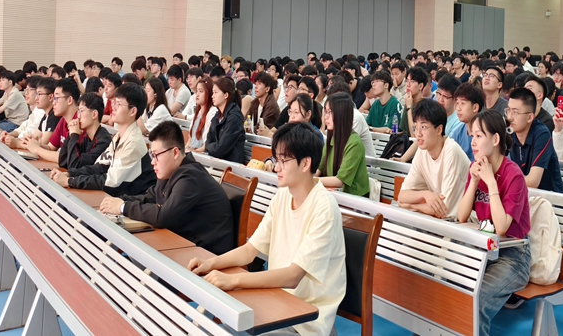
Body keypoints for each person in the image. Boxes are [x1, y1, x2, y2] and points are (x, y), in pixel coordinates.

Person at [189, 123, 346, 336]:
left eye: (283, 160)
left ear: (305, 163)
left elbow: (293, 277)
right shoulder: (283, 195)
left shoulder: (324, 207)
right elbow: (250, 250)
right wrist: (210, 263)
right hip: (275, 300)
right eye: (276, 159)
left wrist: (233, 280)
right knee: (216, 315)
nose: (276, 167)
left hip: (307, 321)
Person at [100, 121, 235, 255]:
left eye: (156, 155)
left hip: (207, 254)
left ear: (175, 152)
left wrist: (123, 207)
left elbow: (163, 216)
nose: (152, 162)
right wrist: (118, 201)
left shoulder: (190, 178)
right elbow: (149, 198)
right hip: (186, 244)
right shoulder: (171, 172)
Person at [457, 110, 531, 336]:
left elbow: (502, 228)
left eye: (479, 136)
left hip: (514, 257)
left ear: (496, 139)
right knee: (450, 287)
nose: (473, 142)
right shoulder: (477, 167)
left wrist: (490, 182)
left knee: (477, 300)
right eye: (472, 136)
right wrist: (474, 181)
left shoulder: (513, 175)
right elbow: (461, 216)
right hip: (485, 250)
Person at [51, 83, 156, 195]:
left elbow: (110, 182)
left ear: (133, 111)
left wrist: (69, 181)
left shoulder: (134, 143)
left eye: (119, 104)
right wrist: (70, 174)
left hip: (132, 201)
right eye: (114, 102)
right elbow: (99, 168)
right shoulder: (118, 137)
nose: (113, 107)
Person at [397, 99, 469, 219]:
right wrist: (425, 195)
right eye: (415, 127)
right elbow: (402, 196)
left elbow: (444, 209)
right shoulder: (422, 150)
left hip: (464, 222)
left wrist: (413, 206)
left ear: (439, 130)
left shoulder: (451, 151)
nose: (418, 134)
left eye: (424, 127)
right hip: (442, 221)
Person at [506, 88, 563, 193]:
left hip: (550, 198)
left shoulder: (542, 134)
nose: (509, 117)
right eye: (508, 111)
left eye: (515, 112)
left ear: (530, 117)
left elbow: (533, 182)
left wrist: (501, 180)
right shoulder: (510, 131)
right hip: (523, 195)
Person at [318, 93, 370, 197]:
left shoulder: (354, 142)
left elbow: (339, 181)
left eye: (329, 112)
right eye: (325, 112)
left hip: (355, 200)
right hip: (335, 194)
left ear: (341, 114)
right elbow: (319, 169)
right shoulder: (332, 137)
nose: (325, 117)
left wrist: (312, 180)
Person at [24, 78, 80, 162]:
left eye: (56, 98)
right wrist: (35, 144)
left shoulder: (80, 122)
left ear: (69, 100)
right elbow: (50, 147)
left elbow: (66, 158)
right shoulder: (63, 120)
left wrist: (37, 149)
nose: (53, 103)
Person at [57, 93, 113, 170]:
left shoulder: (103, 141)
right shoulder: (87, 137)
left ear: (94, 114)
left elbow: (74, 165)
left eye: (81, 111)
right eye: (78, 112)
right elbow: (63, 162)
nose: (78, 117)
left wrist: (74, 135)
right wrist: (70, 135)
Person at [0, 77, 59, 149]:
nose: (36, 98)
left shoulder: (54, 116)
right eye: (36, 94)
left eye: (39, 94)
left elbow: (41, 145)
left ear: (51, 97)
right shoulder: (45, 115)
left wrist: (17, 143)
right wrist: (10, 138)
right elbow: (34, 138)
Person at [325, 79, 374, 158]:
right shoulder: (334, 115)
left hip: (364, 162)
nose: (332, 103)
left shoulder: (355, 117)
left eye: (337, 100)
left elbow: (345, 145)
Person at [205, 77, 245, 162]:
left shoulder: (234, 117)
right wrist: (209, 146)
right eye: (213, 92)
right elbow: (209, 139)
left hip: (230, 164)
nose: (212, 96)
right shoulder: (217, 115)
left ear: (226, 95)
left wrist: (208, 146)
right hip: (217, 160)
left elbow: (221, 149)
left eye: (216, 92)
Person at [448, 82, 485, 161]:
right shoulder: (457, 133)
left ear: (475, 107)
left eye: (463, 103)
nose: (458, 108)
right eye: (457, 103)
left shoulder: (486, 132)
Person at [185, 78, 217, 152]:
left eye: (201, 91)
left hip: (202, 154)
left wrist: (192, 153)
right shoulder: (198, 113)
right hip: (193, 152)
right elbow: (189, 141)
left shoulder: (213, 113)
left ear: (209, 93)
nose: (197, 94)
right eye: (197, 91)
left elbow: (205, 146)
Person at [399, 67, 428, 135]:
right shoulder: (408, 102)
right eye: (407, 81)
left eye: (412, 81)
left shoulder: (426, 106)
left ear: (420, 86)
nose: (408, 85)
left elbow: (414, 135)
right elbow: (405, 132)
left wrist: (409, 108)